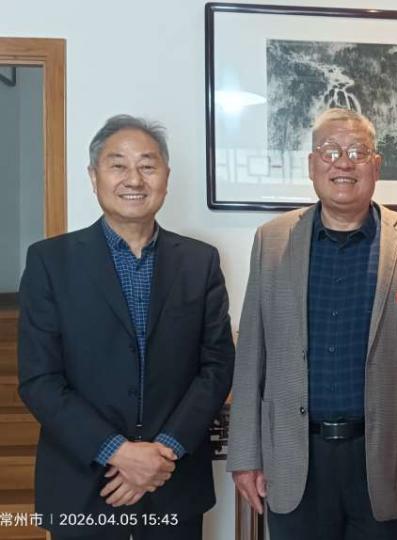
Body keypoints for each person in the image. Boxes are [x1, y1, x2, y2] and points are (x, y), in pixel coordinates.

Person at [227, 108, 397, 540]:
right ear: (312, 164)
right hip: (294, 457)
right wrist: (245, 455)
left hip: (388, 460)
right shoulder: (271, 241)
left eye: (357, 152)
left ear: (376, 165)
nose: (343, 163)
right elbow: (252, 355)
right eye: (330, 151)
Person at [18, 115, 235, 539]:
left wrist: (162, 453)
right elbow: (39, 380)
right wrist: (118, 452)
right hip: (83, 483)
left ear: (166, 177)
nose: (134, 179)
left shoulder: (200, 262)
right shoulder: (50, 262)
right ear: (93, 176)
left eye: (147, 165)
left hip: (173, 482)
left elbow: (217, 366)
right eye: (117, 165)